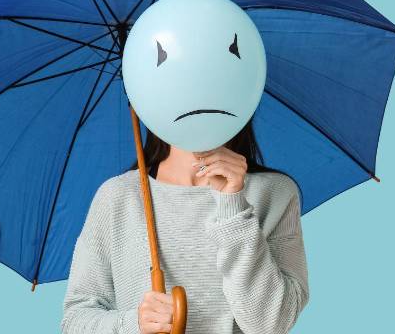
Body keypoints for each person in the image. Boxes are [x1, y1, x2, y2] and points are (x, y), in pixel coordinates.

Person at [60, 118, 309, 333]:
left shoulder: (274, 193)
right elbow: (75, 321)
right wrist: (135, 323)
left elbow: (270, 326)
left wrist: (232, 204)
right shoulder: (118, 197)